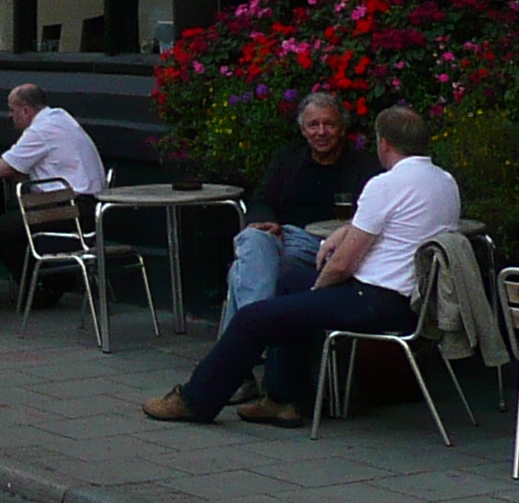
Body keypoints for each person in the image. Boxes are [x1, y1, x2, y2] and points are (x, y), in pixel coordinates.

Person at [145, 105, 457, 427]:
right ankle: (281, 399)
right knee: (289, 283)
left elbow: (342, 266)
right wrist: (342, 233)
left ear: (384, 143)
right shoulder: (444, 182)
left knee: (254, 317)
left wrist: (317, 290)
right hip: (414, 300)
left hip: (376, 300)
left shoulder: (385, 185)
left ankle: (195, 401)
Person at [221, 90, 383, 333]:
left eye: (329, 124)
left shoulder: (363, 166)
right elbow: (262, 199)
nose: (321, 132)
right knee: (253, 239)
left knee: (243, 270)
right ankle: (255, 331)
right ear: (303, 129)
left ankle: (247, 338)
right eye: (313, 125)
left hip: (328, 245)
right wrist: (265, 221)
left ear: (342, 128)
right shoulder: (287, 159)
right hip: (285, 237)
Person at [0, 83, 109, 306]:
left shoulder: (40, 130)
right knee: (15, 223)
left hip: (70, 209)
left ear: (26, 110)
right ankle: (55, 279)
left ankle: (47, 284)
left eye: (12, 110)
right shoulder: (61, 118)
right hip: (93, 206)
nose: (10, 116)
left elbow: (2, 169)